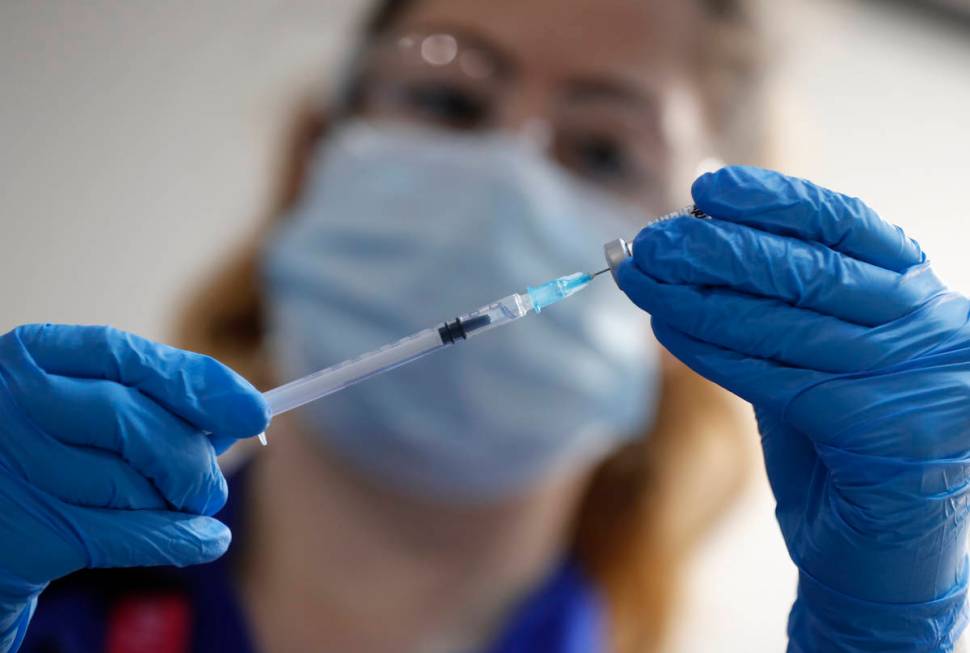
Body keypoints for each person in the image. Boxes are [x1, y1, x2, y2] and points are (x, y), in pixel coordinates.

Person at [1, 3, 967, 653]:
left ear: (703, 290)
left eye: (600, 148)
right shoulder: (40, 577)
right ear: (311, 160)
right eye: (446, 98)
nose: (505, 177)